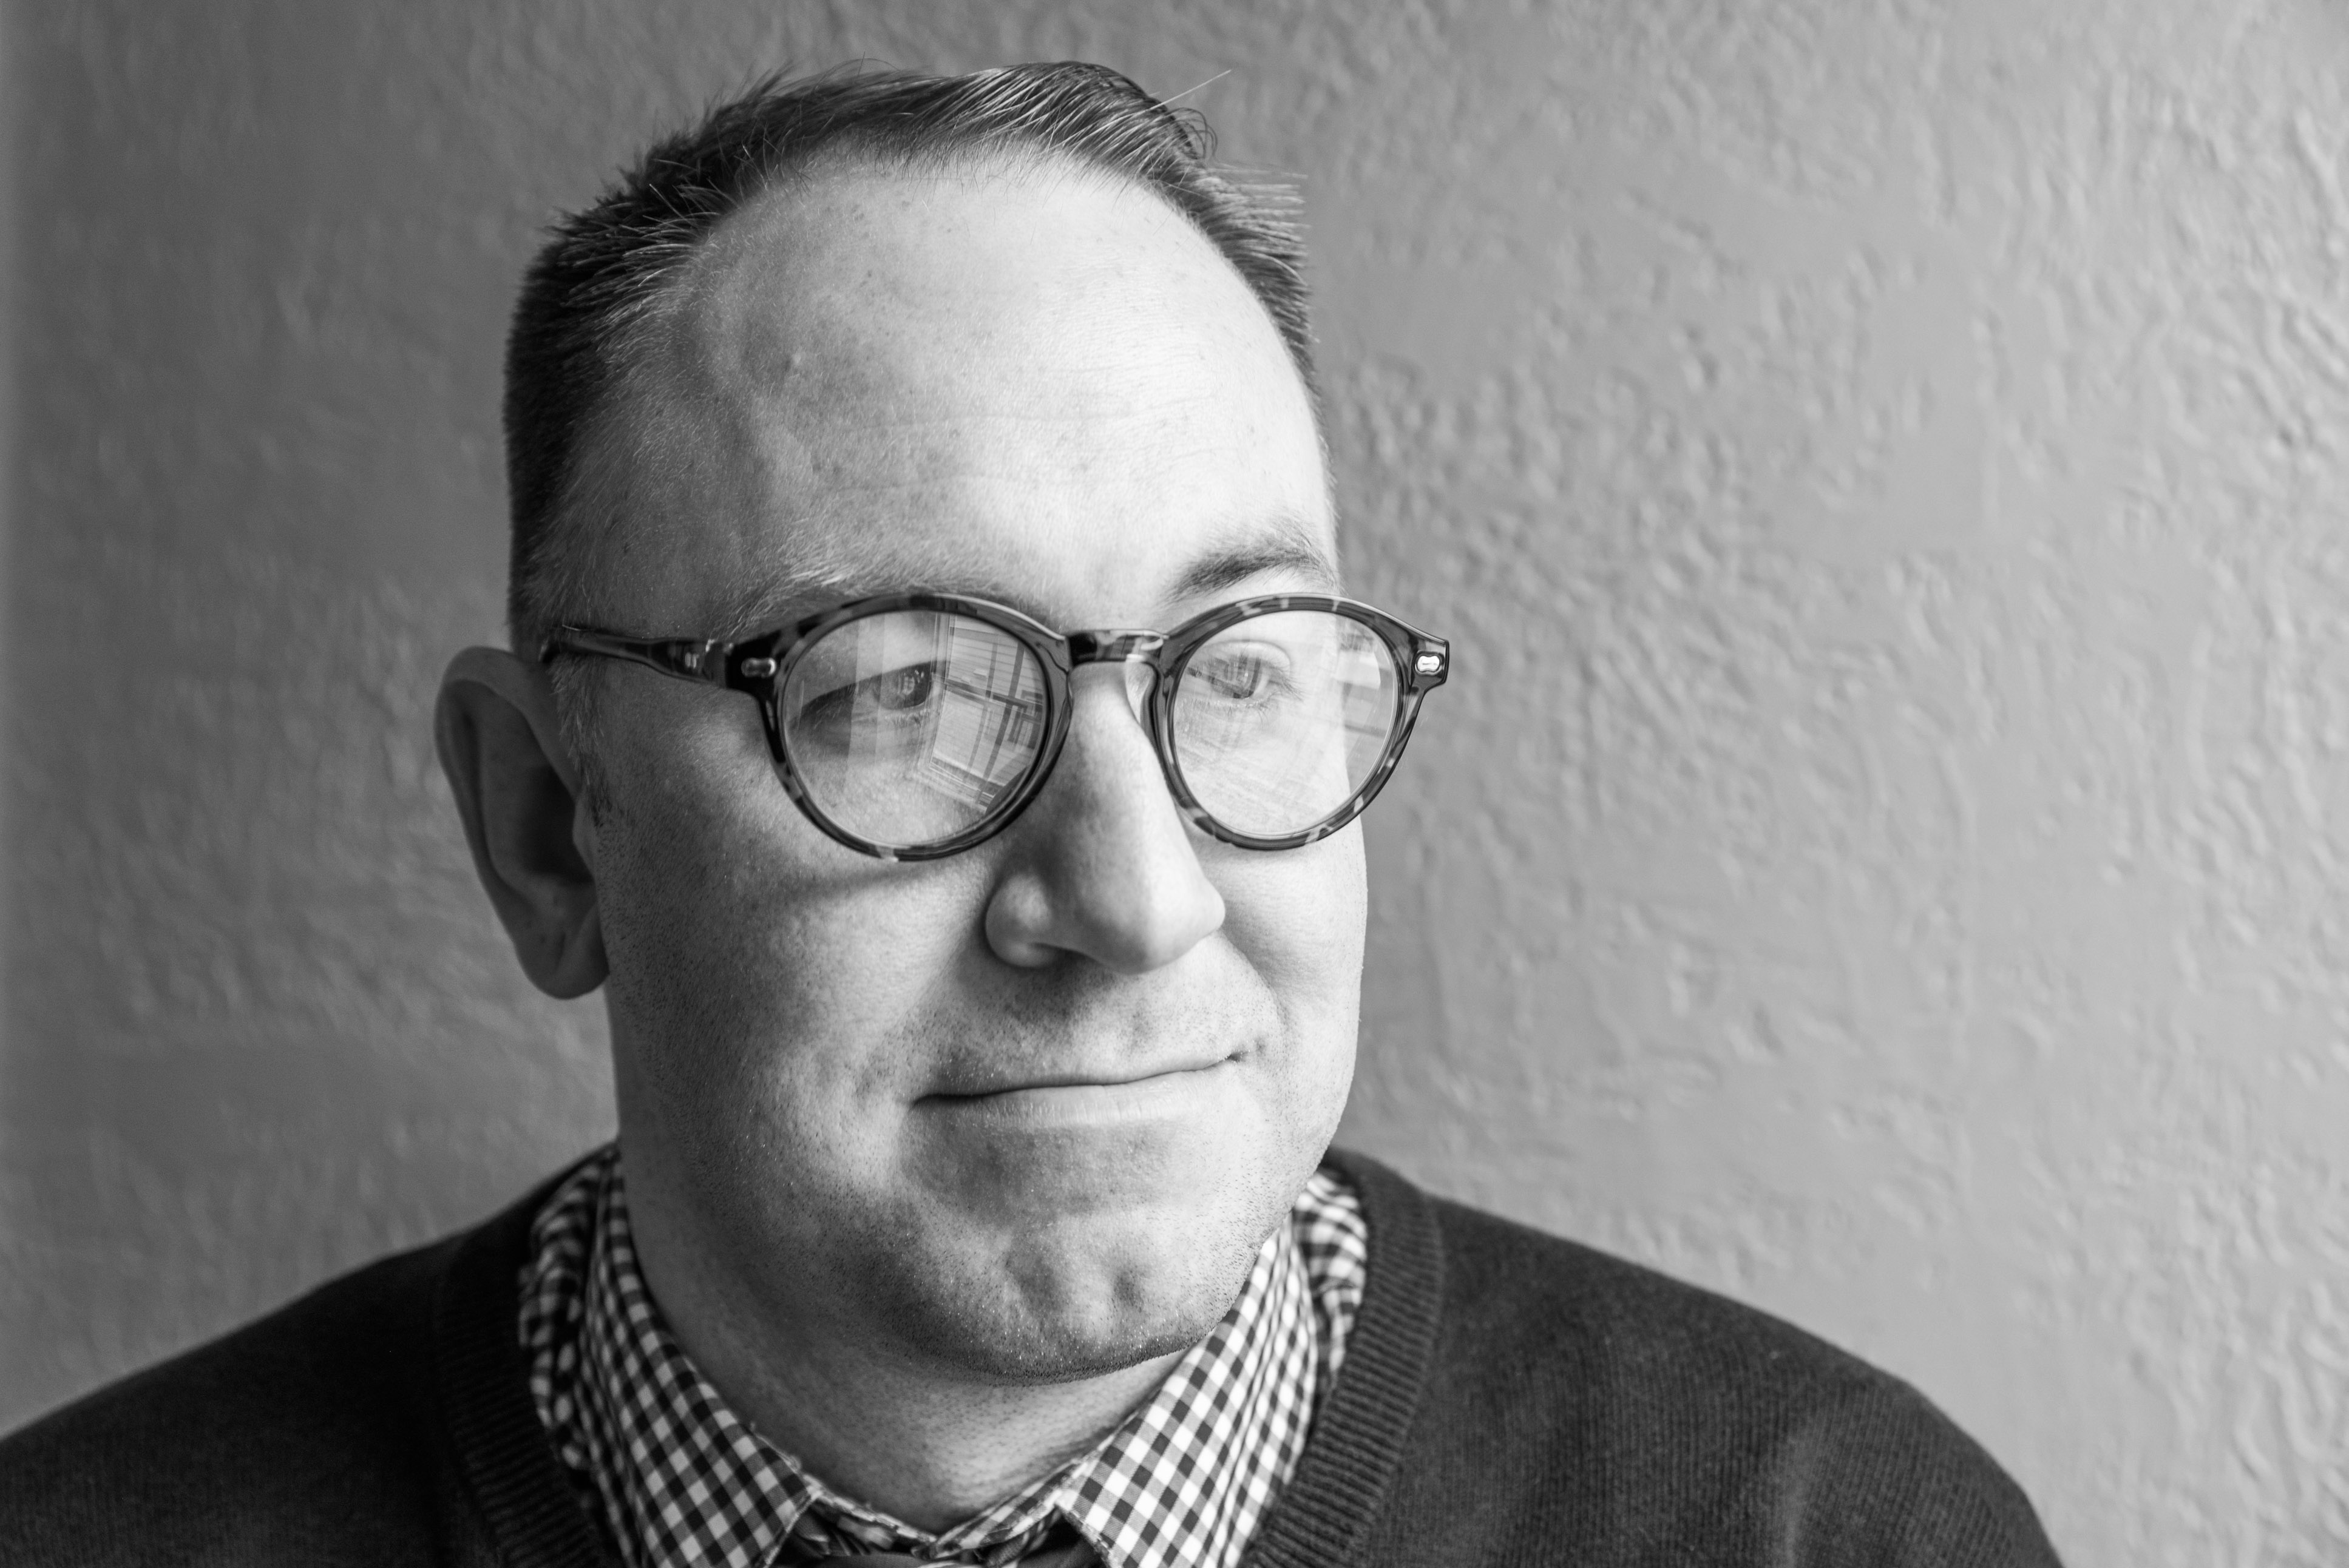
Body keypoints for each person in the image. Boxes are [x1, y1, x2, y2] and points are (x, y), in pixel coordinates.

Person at [0, 62, 2063, 1567]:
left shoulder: (1824, 1533)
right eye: (901, 689)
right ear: (549, 827)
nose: (1138, 902)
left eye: (1238, 667)